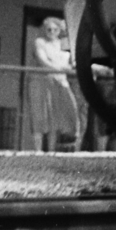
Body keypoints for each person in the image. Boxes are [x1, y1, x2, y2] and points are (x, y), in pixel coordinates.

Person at [30, 16, 79, 152]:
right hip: (41, 82)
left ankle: (51, 151)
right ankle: (38, 151)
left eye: (55, 29)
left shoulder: (63, 44)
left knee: (55, 118)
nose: (51, 31)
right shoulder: (39, 42)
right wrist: (60, 68)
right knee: (39, 115)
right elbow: (42, 60)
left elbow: (72, 62)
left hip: (59, 82)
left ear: (60, 30)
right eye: (48, 29)